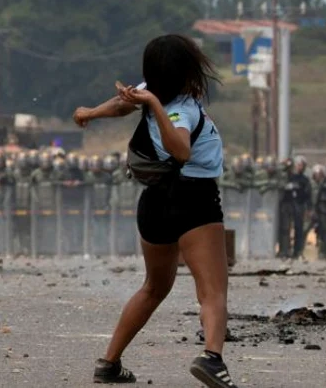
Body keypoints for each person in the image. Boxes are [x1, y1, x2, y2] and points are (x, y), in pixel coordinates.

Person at [73, 34, 237, 387]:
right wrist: (154, 106)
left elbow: (122, 104)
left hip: (155, 203)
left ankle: (109, 363)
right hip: (193, 200)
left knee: (154, 286)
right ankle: (212, 359)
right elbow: (180, 149)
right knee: (212, 290)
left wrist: (90, 113)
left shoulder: (150, 91)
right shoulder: (180, 106)